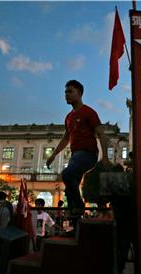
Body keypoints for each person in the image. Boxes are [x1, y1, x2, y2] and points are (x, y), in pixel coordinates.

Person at [46, 80, 110, 220]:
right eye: (65, 92)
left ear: (79, 93)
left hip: (88, 154)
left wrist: (105, 157)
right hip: (75, 156)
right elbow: (65, 139)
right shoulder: (69, 117)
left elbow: (101, 134)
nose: (66, 95)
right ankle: (76, 222)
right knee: (69, 190)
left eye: (70, 91)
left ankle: (80, 205)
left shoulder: (89, 112)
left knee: (67, 174)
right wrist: (53, 155)